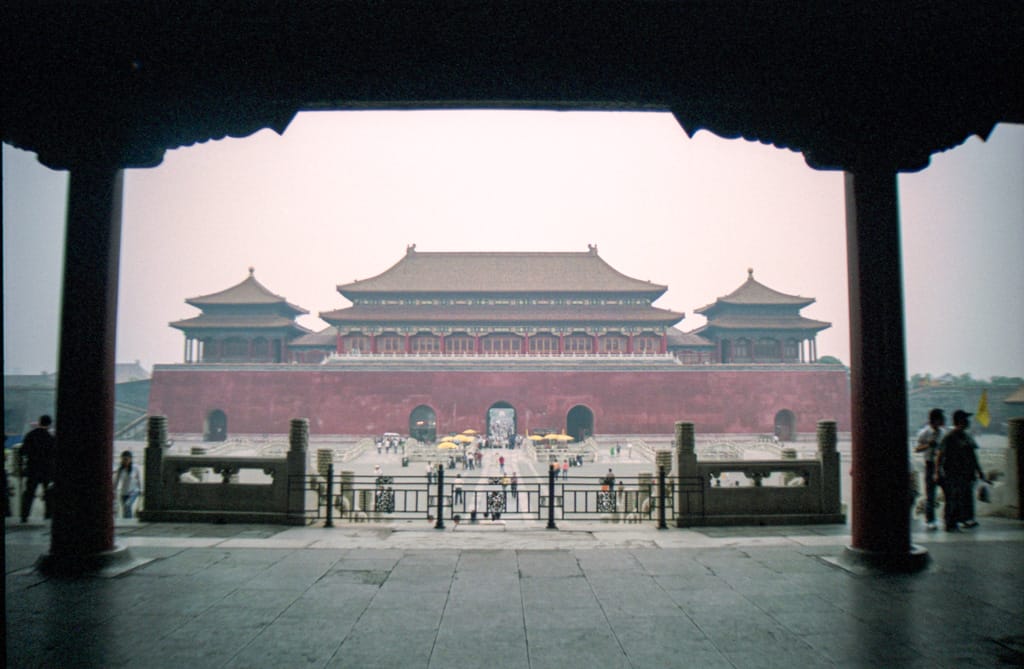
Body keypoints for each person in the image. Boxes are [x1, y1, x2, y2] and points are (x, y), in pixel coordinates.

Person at [935, 410, 986, 532]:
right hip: (953, 473)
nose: (968, 422)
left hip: (967, 473)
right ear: (960, 421)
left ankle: (963, 519)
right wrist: (937, 472)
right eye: (966, 419)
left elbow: (973, 456)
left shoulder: (967, 436)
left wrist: (979, 471)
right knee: (953, 498)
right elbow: (940, 455)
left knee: (965, 497)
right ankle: (950, 522)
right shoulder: (949, 437)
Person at [913, 408, 945, 530]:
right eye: (941, 418)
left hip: (943, 464)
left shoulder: (944, 432)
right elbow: (917, 449)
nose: (943, 421)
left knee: (949, 491)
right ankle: (930, 520)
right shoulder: (924, 433)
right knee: (930, 494)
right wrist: (928, 445)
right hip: (930, 464)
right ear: (935, 420)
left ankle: (948, 518)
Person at [19, 415, 55, 523]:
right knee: (48, 492)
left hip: (32, 468)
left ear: (39, 422)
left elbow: (22, 451)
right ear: (49, 424)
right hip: (46, 469)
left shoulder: (30, 435)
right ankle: (48, 515)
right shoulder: (50, 438)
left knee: (29, 493)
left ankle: (24, 515)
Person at [113, 450, 142, 519]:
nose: (125, 461)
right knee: (125, 510)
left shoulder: (135, 468)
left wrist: (140, 489)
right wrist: (114, 491)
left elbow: (138, 480)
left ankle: (129, 521)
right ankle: (128, 521)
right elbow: (116, 482)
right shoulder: (120, 470)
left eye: (127, 459)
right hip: (124, 493)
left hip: (133, 491)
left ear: (130, 459)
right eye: (123, 459)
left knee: (127, 505)